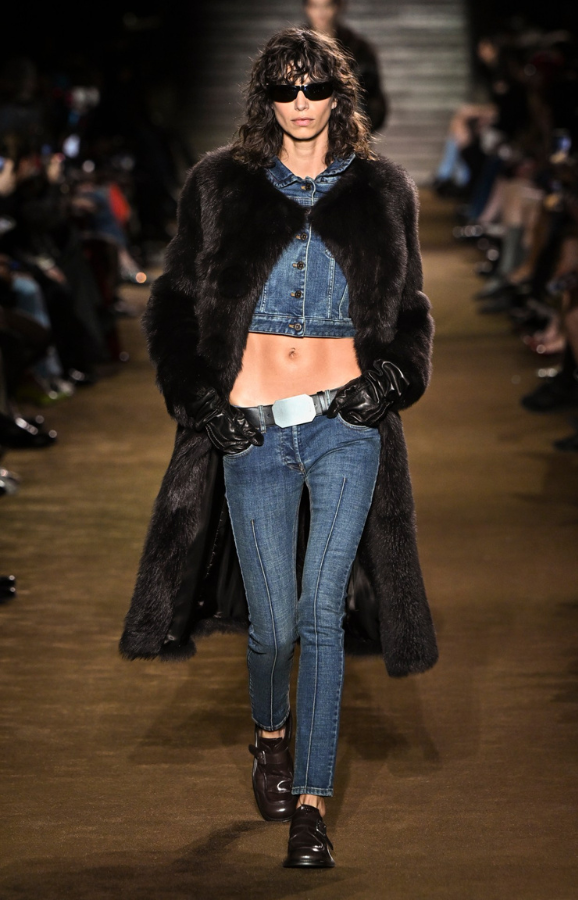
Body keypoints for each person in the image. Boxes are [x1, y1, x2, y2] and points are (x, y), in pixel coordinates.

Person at [120, 27, 437, 869]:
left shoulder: (382, 189)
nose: (301, 103)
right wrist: (200, 400)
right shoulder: (219, 184)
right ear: (265, 97)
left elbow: (409, 311)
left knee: (322, 613)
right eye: (285, 89)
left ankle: (310, 806)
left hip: (346, 427)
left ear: (339, 95)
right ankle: (270, 736)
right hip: (251, 431)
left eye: (314, 87)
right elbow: (174, 304)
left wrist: (391, 381)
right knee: (273, 627)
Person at [303, 0, 387, 131]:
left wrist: (358, 127)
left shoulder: (359, 49)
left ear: (338, 7)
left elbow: (374, 99)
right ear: (306, 8)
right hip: (304, 128)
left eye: (327, 6)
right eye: (314, 6)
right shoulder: (292, 49)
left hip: (347, 131)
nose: (321, 13)